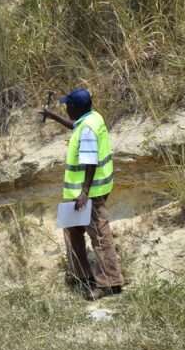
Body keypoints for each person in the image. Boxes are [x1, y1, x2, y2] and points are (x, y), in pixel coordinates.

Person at [42, 88, 125, 301]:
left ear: (74, 108)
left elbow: (90, 160)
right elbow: (75, 124)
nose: (66, 109)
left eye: (67, 107)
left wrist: (85, 192)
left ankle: (110, 283)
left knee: (99, 234)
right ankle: (82, 275)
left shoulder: (87, 128)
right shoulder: (92, 117)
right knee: (72, 230)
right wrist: (53, 116)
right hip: (82, 192)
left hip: (90, 193)